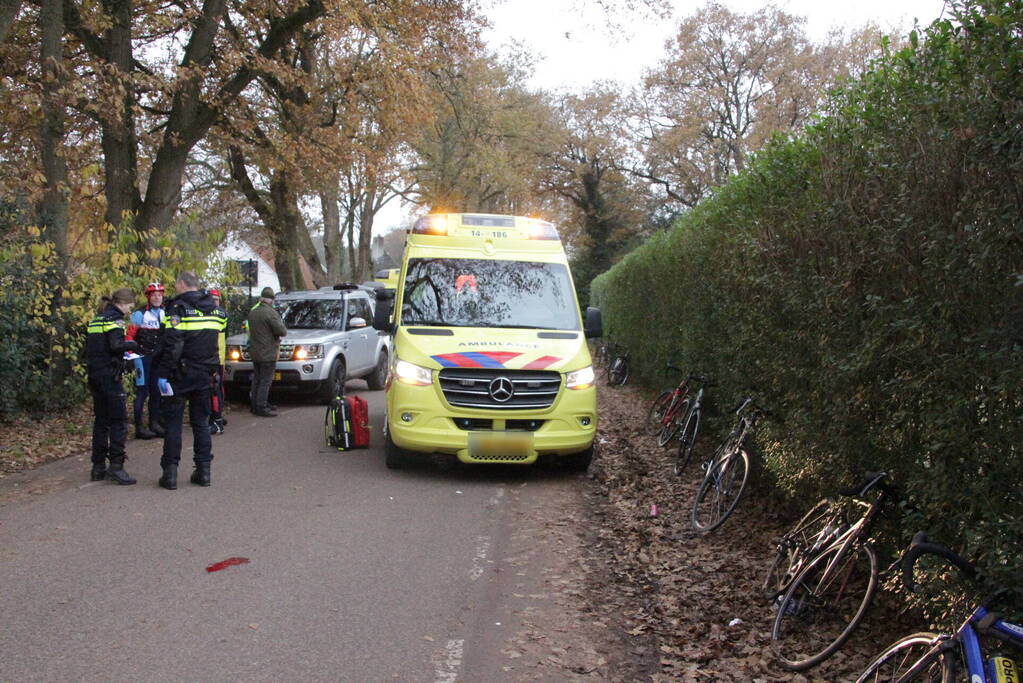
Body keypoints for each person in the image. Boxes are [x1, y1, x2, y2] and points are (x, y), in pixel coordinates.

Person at [155, 272, 222, 490]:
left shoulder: (178, 308)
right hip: (205, 373)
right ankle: (204, 472)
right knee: (200, 423)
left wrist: (163, 373)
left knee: (173, 423)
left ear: (182, 284)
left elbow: (172, 344)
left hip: (180, 373)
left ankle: (170, 473)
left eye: (176, 284)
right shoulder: (216, 310)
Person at [85, 287, 139, 485]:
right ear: (123, 303)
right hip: (109, 376)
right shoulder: (114, 319)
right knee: (119, 421)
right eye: (130, 306)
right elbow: (115, 345)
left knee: (101, 421)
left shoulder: (97, 319)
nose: (130, 310)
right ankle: (117, 466)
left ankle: (97, 466)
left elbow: (93, 348)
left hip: (95, 375)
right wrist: (132, 345)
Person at [126, 282, 165, 439]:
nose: (157, 298)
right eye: (154, 295)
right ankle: (139, 427)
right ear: (148, 297)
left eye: (160, 295)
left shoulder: (165, 313)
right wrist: (129, 355)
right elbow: (129, 337)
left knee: (156, 391)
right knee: (142, 391)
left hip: (158, 358)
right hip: (142, 358)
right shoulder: (139, 314)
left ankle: (154, 423)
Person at [246, 286, 286, 417]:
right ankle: (261, 407)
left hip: (255, 351)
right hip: (268, 352)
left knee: (257, 380)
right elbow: (281, 331)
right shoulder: (271, 313)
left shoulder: (253, 312)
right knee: (265, 381)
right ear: (271, 300)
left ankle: (254, 405)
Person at [208, 289, 228, 434]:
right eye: (213, 299)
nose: (215, 302)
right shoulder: (221, 313)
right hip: (214, 356)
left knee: (217, 387)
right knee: (216, 387)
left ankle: (217, 416)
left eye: (217, 299)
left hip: (217, 356)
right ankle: (216, 415)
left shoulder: (219, 314)